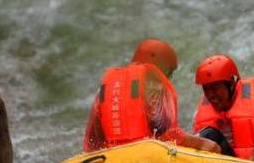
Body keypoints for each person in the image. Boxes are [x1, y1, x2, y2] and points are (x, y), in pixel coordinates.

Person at [83, 39, 219, 153]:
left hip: (111, 159)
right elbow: (169, 135)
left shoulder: (107, 88)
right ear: (162, 69)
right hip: (144, 157)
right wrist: (201, 143)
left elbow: (93, 140)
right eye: (169, 73)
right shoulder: (156, 88)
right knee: (213, 138)